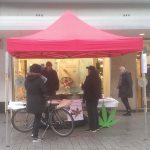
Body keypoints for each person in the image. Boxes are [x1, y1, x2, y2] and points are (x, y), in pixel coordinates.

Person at [25, 64, 49, 142]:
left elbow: (26, 88)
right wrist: (47, 97)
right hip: (38, 101)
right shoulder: (39, 79)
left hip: (30, 100)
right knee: (37, 119)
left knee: (36, 118)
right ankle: (35, 137)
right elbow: (44, 90)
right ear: (37, 71)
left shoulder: (27, 78)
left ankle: (33, 133)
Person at [82, 66, 102, 132]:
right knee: (95, 111)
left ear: (90, 71)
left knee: (91, 113)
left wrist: (82, 85)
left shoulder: (89, 78)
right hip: (96, 98)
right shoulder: (98, 78)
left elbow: (85, 87)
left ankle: (92, 128)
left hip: (90, 98)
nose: (88, 71)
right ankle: (96, 126)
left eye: (88, 70)